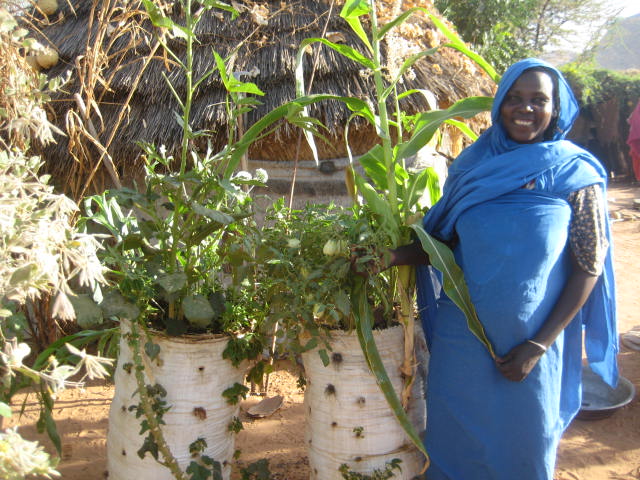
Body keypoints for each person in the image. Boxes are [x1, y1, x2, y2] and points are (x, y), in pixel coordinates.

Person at [390, 58, 618, 480]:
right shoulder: (473, 167)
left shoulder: (574, 173)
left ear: (556, 108)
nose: (524, 108)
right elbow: (445, 244)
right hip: (464, 338)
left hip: (531, 344)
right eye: (514, 98)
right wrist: (389, 257)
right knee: (455, 442)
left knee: (524, 448)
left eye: (538, 100)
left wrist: (539, 346)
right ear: (499, 104)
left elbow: (589, 265)